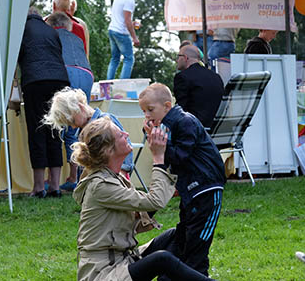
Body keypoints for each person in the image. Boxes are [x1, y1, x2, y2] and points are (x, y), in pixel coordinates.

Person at [71, 116, 213, 281]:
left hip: (123, 259)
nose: (127, 134)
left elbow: (138, 218)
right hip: (102, 273)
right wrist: (158, 158)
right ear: (108, 150)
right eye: (120, 135)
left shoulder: (114, 178)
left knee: (176, 235)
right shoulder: (101, 185)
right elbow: (155, 201)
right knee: (162, 259)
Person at [139, 83, 226, 277]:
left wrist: (159, 148)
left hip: (206, 189)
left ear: (167, 106)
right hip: (191, 192)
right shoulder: (168, 125)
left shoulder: (185, 121)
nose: (147, 115)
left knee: (198, 245)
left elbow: (180, 156)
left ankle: (196, 274)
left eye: (150, 109)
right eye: (144, 111)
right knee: (186, 236)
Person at [18, 7, 70, 198]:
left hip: (35, 81)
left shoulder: (21, 30)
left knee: (37, 130)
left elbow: (17, 57)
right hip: (59, 80)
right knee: (55, 130)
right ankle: (55, 185)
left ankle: (39, 187)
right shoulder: (51, 30)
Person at [46, 12, 93, 191]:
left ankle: (66, 178)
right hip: (87, 73)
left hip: (66, 71)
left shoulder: (52, 35)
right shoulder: (77, 38)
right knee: (82, 122)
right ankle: (80, 174)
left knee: (64, 124)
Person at [43, 87, 134, 177]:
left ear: (80, 107)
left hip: (114, 176)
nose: (73, 126)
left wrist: (122, 170)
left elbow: (126, 146)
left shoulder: (106, 122)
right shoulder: (81, 133)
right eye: (69, 124)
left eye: (73, 121)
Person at [174, 44, 224, 128]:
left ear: (185, 58)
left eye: (178, 56)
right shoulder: (216, 77)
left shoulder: (183, 77)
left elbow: (180, 109)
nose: (177, 60)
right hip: (215, 129)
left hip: (193, 130)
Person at [106, 0, 139, 80]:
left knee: (115, 59)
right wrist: (134, 38)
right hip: (121, 32)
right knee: (129, 59)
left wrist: (132, 24)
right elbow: (127, 20)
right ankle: (123, 84)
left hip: (112, 29)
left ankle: (108, 84)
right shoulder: (129, 0)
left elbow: (121, 17)